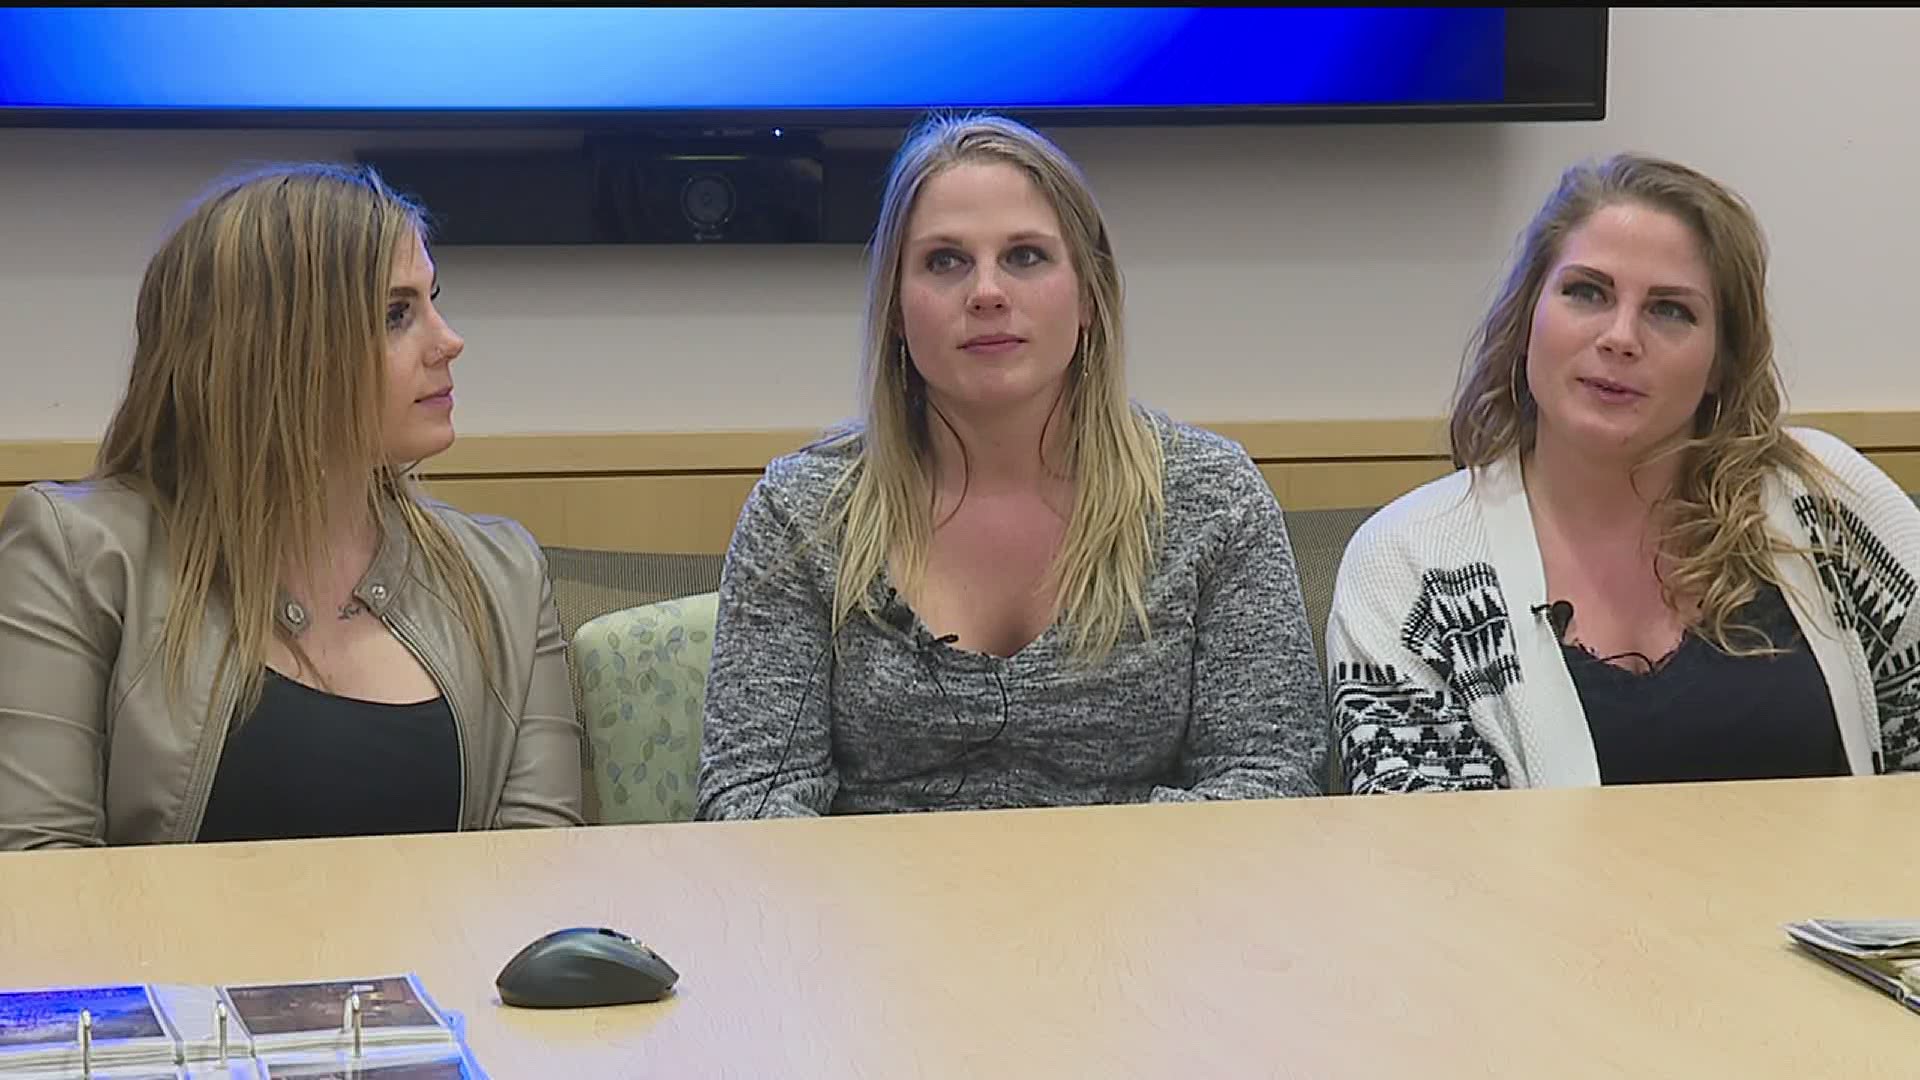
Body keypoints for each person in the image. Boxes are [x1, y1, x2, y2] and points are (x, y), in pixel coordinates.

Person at [697, 113, 1326, 819]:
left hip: (1148, 914)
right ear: (897, 311)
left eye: (1026, 256)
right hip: (872, 919)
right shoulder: (804, 511)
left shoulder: (1212, 497)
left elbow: (1270, 777)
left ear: (1089, 295)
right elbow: (750, 801)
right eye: (945, 261)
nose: (987, 292)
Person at [0, 163, 584, 848]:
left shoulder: (503, 575)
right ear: (275, 350)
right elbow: (37, 875)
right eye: (397, 314)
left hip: (447, 960)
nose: (448, 341)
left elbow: (541, 878)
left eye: (433, 300)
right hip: (166, 958)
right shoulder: (77, 556)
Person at [1324, 152, 1920, 793]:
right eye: (1587, 292)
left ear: (1722, 359)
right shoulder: (1410, 568)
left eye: (1670, 310)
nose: (1620, 336)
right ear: (1529, 320)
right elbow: (1430, 860)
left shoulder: (1826, 501)